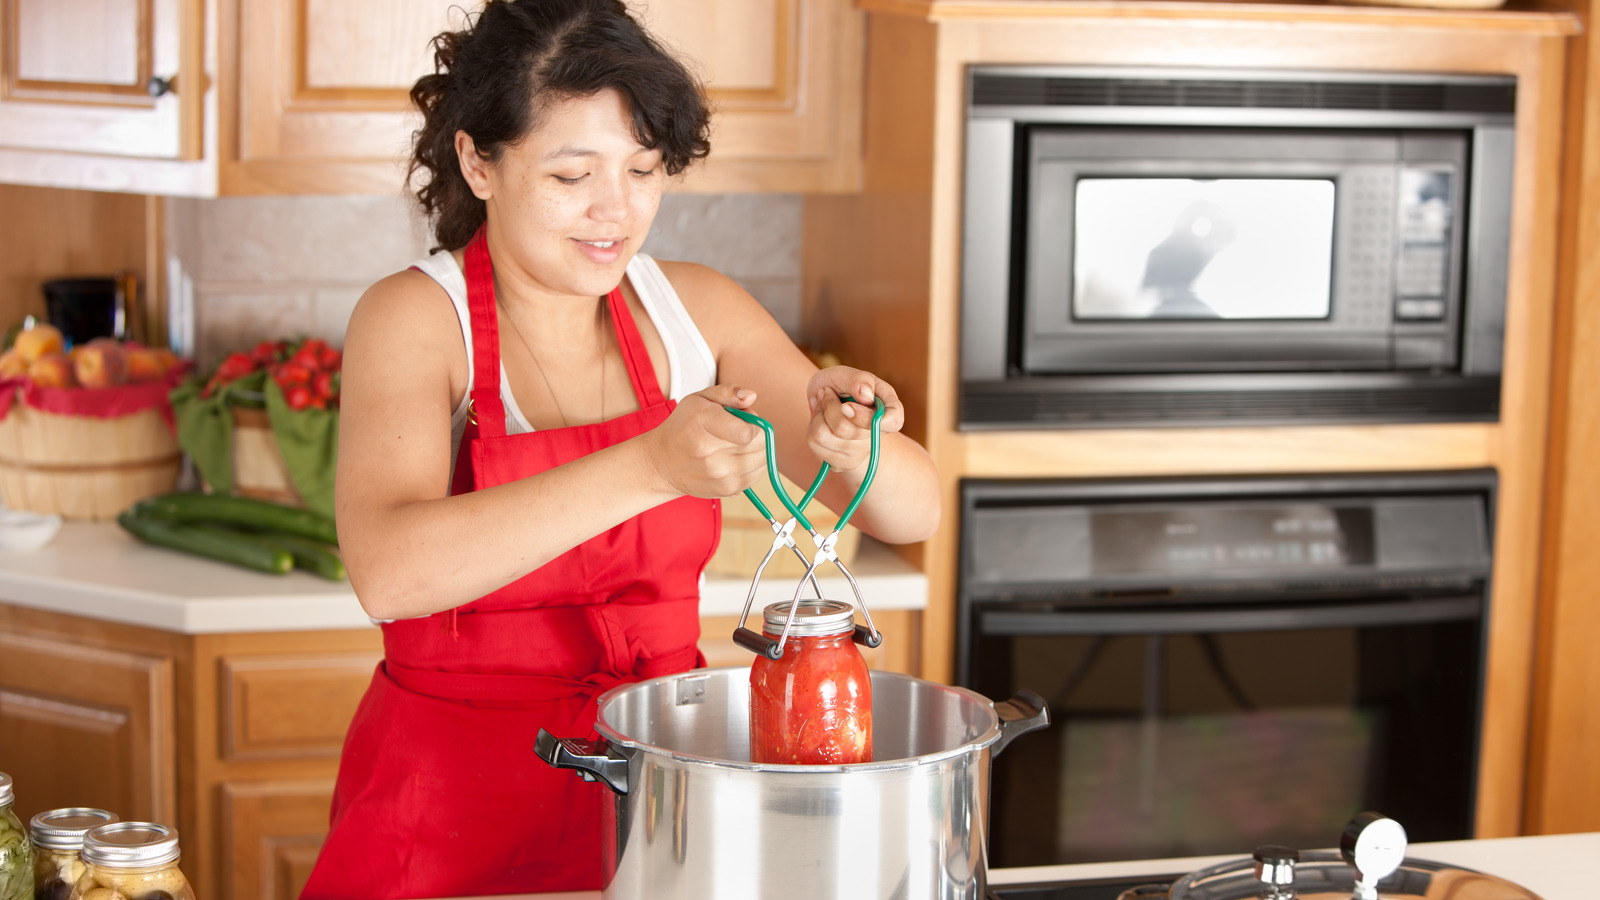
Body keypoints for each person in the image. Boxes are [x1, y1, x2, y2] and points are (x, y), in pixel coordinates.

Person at [298, 1, 940, 897]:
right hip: (448, 806)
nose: (617, 210)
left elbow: (914, 512)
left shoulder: (695, 309)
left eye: (643, 170)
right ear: (479, 161)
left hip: (659, 786)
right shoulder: (415, 319)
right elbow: (389, 572)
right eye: (572, 176)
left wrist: (851, 439)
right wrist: (650, 466)